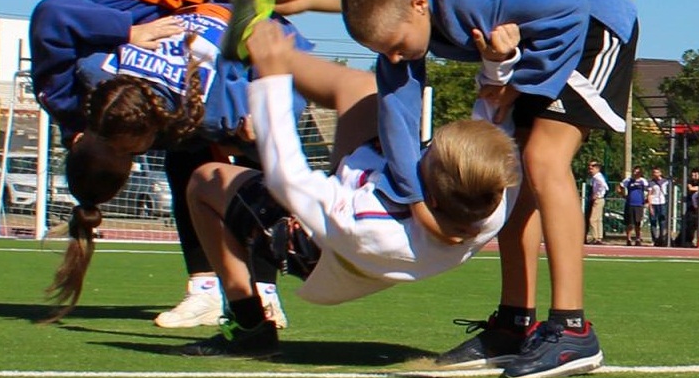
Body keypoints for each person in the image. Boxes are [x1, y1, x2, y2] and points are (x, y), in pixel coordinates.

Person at [29, 0, 441, 328]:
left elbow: (51, 14)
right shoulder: (138, 112)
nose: (136, 152)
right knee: (290, 3)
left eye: (125, 151)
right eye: (132, 156)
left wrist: (130, 31)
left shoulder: (68, 92)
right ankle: (213, 287)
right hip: (196, 11)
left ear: (82, 135)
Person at [339, 0, 639, 378]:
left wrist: (517, 86)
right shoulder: (405, 25)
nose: (395, 58)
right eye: (384, 52)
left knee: (542, 159)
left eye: (398, 45)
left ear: (420, 4)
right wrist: (418, 206)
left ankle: (572, 329)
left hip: (594, 22)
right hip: (542, 39)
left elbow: (566, 9)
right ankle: (514, 324)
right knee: (513, 175)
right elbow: (398, 120)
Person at [172, 22, 520, 357]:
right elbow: (493, 121)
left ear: (427, 195)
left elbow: (286, 177)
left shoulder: (367, 221)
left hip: (322, 251)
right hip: (368, 197)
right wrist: (498, 64)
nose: (422, 149)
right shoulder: (491, 192)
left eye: (427, 153)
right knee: (363, 89)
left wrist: (270, 80)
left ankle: (248, 323)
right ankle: (279, 50)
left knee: (203, 181)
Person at [585, 161, 610, 244]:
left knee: (592, 219)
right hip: (600, 199)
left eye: (592, 168)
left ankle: (595, 237)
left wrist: (597, 194)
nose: (590, 169)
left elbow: (604, 186)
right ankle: (599, 237)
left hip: (598, 199)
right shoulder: (595, 177)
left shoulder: (597, 177)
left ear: (597, 168)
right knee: (598, 219)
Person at [622, 167, 648, 245]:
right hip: (630, 204)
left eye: (637, 172)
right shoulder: (628, 180)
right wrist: (624, 195)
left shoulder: (643, 181)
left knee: (638, 223)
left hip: (639, 204)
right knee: (630, 223)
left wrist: (646, 200)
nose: (635, 173)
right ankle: (628, 239)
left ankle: (638, 239)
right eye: (634, 172)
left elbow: (649, 190)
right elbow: (620, 187)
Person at [647, 168, 670, 246]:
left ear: (660, 173)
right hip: (654, 202)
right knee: (653, 221)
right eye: (654, 172)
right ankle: (654, 239)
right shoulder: (651, 182)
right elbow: (649, 194)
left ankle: (661, 238)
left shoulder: (665, 182)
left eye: (657, 172)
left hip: (662, 203)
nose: (655, 174)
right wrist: (650, 206)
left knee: (662, 221)